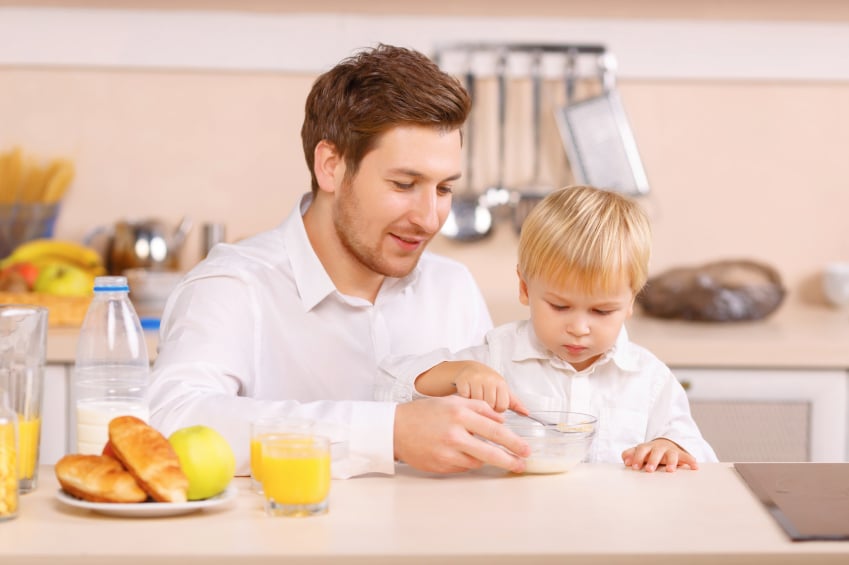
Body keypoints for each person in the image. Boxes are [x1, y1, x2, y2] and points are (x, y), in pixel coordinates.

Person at [145, 44, 530, 479]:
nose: (429, 219)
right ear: (330, 166)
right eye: (404, 184)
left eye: (443, 189)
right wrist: (388, 433)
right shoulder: (234, 285)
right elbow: (172, 420)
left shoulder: (452, 287)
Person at [377, 185, 718, 472]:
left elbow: (697, 453)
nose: (579, 328)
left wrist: (670, 447)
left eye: (602, 311)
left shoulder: (649, 379)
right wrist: (458, 372)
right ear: (525, 288)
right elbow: (387, 388)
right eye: (560, 307)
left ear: (631, 302)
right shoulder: (497, 358)